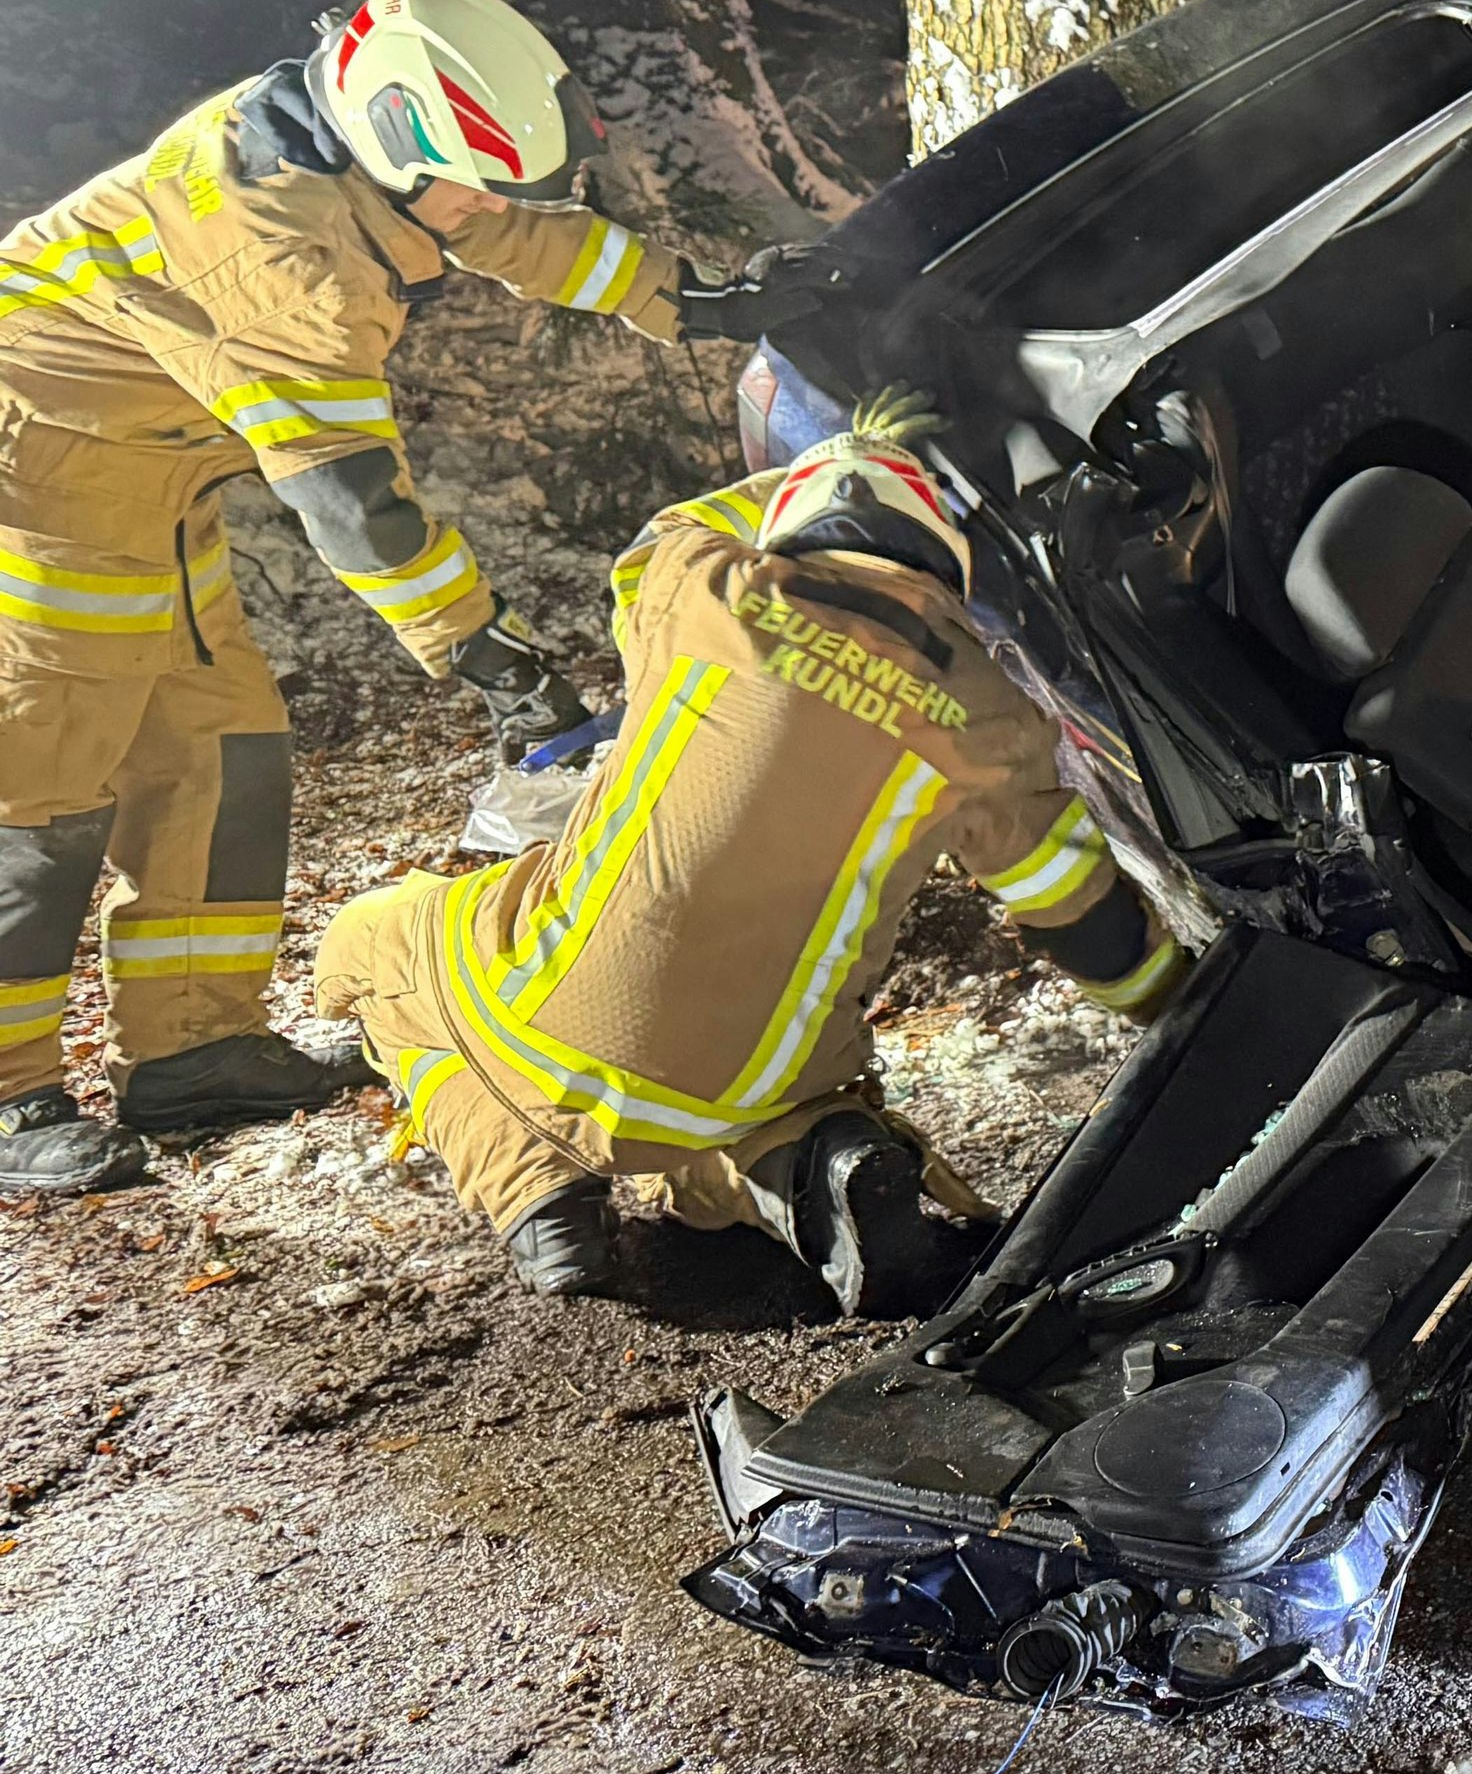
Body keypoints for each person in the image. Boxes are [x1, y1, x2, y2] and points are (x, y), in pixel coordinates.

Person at [0, 0, 701, 1199]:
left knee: (225, 759)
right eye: (471, 180)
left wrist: (685, 298)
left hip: (137, 489)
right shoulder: (281, 269)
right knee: (33, 796)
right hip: (32, 496)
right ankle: (11, 1106)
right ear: (394, 139)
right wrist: (492, 657)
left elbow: (499, 227)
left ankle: (195, 1052)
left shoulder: (343, 141)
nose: (485, 205)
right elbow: (352, 505)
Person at [312, 397, 1191, 1305]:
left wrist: (850, 452)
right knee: (700, 1117)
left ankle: (538, 1197)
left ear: (789, 525)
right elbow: (1075, 906)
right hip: (763, 1077)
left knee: (369, 943)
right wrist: (1180, 1007)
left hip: (550, 1029)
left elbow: (673, 530)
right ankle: (803, 1170)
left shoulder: (701, 589)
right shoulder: (991, 720)